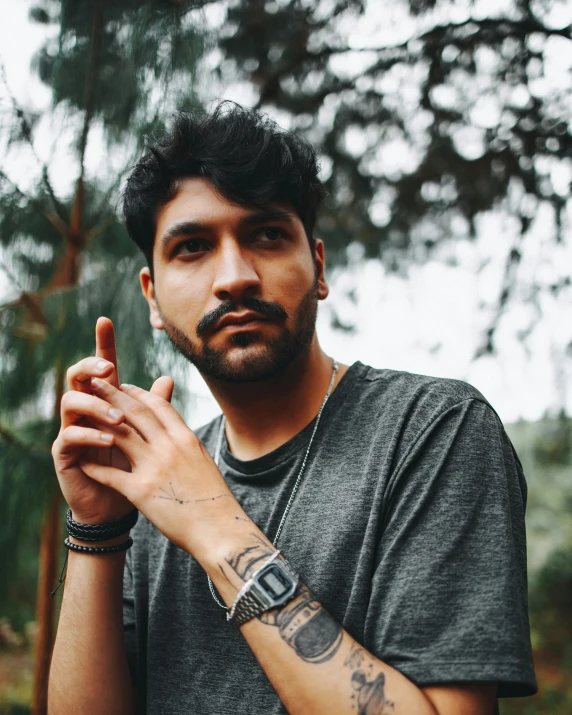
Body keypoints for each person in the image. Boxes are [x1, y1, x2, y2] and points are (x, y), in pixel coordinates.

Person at [49, 101, 537, 715]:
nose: (235, 277)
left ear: (319, 265)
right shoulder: (147, 482)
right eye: (193, 247)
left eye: (267, 235)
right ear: (151, 295)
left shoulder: (433, 430)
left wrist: (211, 525)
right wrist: (96, 527)